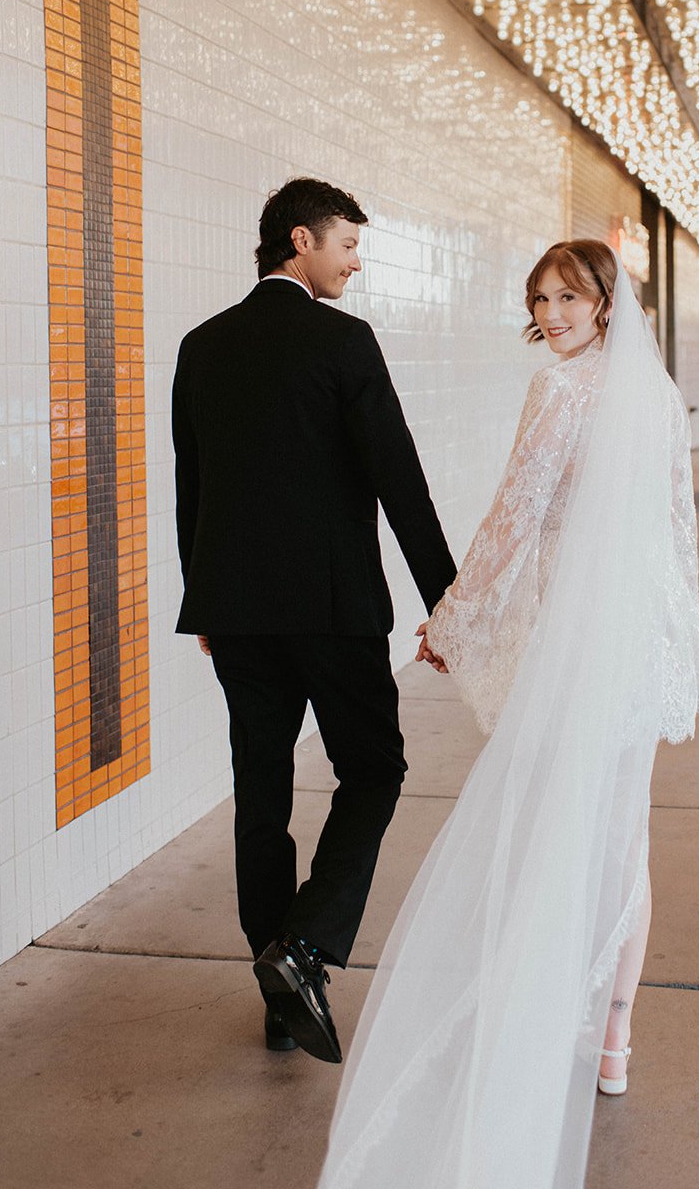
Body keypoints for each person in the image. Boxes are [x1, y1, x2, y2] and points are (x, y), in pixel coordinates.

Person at [318, 238, 699, 1189]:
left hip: (574, 643)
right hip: (640, 642)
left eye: (567, 298)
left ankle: (547, 1020)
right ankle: (616, 1039)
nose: (549, 314)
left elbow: (514, 516)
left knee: (551, 824)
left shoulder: (562, 394)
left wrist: (452, 619)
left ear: (604, 303)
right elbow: (679, 531)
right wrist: (684, 634)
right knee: (624, 831)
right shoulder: (660, 397)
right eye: (539, 298)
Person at [172, 177, 456, 1063]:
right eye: (347, 246)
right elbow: (396, 477)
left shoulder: (202, 345)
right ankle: (304, 947)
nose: (356, 264)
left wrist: (204, 596)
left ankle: (277, 992)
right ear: (300, 241)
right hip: (333, 612)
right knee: (373, 770)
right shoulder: (344, 342)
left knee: (261, 794)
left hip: (238, 614)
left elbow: (195, 485)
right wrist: (448, 599)